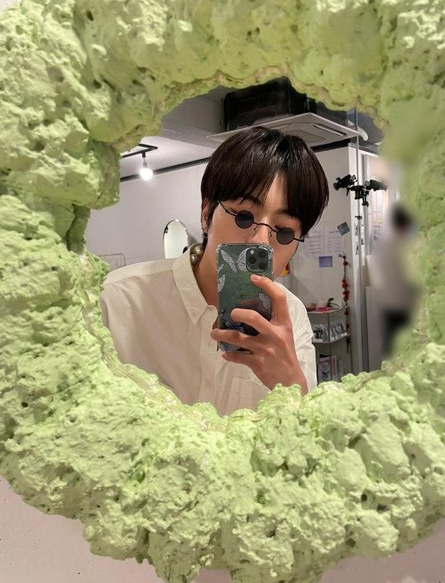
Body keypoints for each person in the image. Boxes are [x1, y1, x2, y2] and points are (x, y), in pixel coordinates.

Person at [100, 126, 329, 415]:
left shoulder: (292, 316)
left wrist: (291, 383)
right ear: (206, 213)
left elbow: (302, 432)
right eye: (244, 217)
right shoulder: (116, 300)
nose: (260, 241)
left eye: (283, 231)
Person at [368, 202, 419, 358]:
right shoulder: (402, 246)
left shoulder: (386, 244)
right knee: (401, 349)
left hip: (389, 304)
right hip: (401, 305)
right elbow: (411, 277)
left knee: (392, 347)